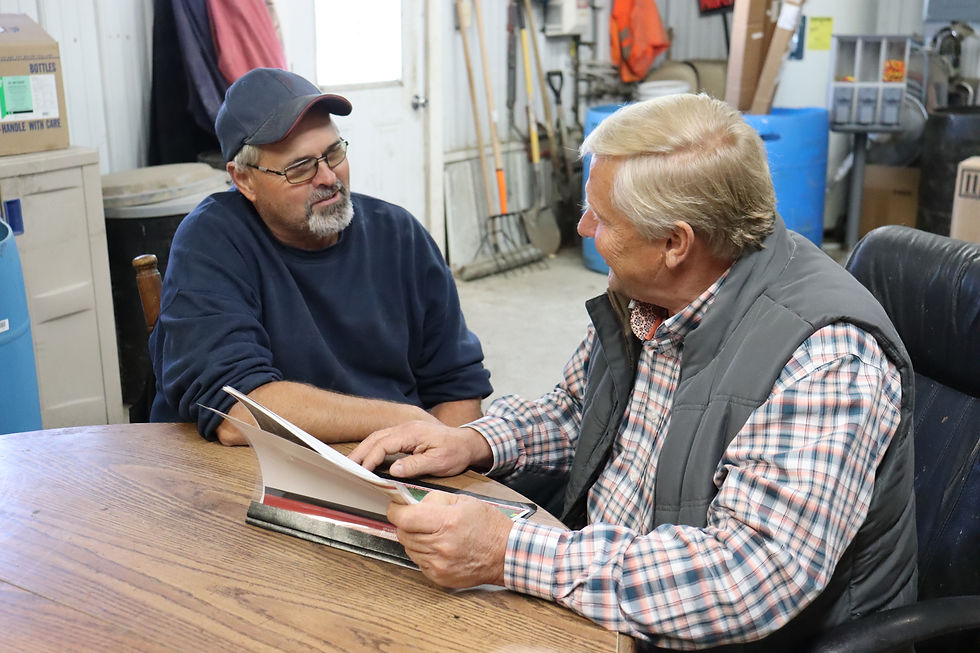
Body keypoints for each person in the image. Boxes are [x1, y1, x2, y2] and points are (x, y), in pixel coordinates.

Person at [349, 94, 917, 649]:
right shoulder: (648, 296)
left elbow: (745, 577)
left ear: (673, 243)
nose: (583, 228)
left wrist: (507, 551)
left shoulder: (827, 357)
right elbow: (579, 413)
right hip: (605, 600)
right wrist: (473, 441)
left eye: (601, 217)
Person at [149, 68, 492, 445]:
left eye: (334, 153)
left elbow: (457, 386)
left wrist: (444, 455)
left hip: (392, 461)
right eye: (300, 168)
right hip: (250, 465)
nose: (328, 177)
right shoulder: (211, 241)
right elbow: (238, 412)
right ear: (244, 179)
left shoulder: (400, 235)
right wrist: (406, 418)